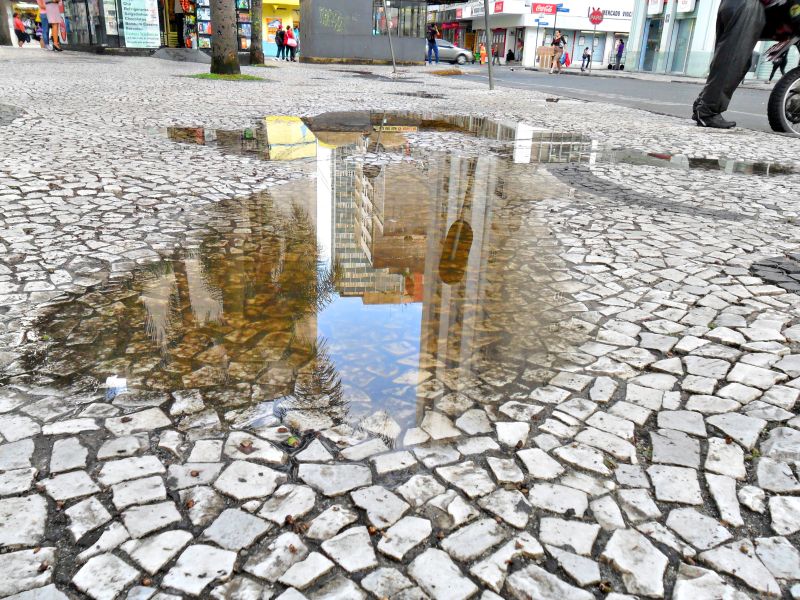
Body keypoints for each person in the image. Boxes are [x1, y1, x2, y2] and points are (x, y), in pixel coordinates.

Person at [693, 0, 800, 129]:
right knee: (733, 60)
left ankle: (702, 104)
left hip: (731, 5)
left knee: (729, 60)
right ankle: (707, 112)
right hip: (747, 6)